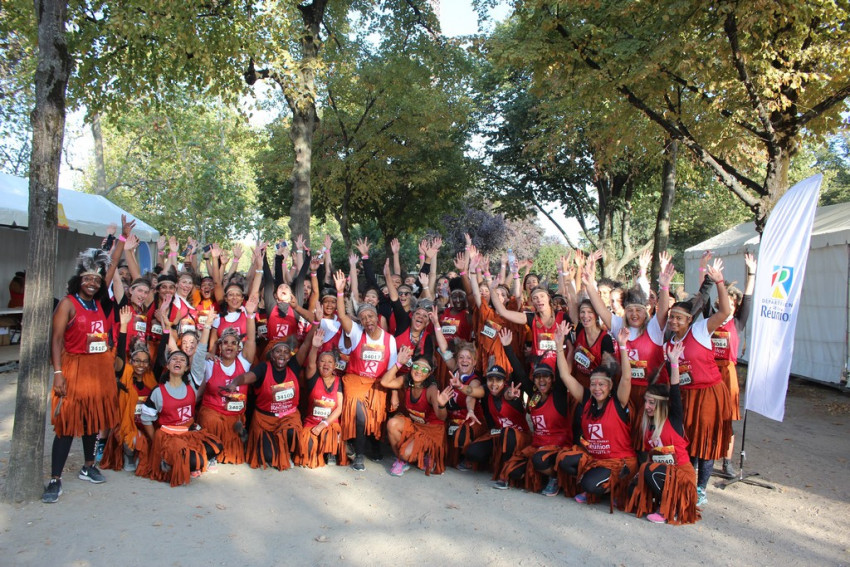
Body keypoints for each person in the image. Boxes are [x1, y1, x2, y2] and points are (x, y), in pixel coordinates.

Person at [42, 218, 133, 504]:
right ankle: (55, 479)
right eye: (88, 279)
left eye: (96, 280)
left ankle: (88, 466)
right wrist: (58, 372)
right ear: (78, 281)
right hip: (74, 366)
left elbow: (110, 266)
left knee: (94, 419)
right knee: (68, 424)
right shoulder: (68, 304)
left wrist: (122, 240)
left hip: (99, 368)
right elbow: (55, 341)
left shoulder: (97, 302)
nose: (93, 283)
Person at [665, 257, 733, 506]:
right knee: (689, 439)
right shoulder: (669, 343)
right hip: (686, 396)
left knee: (705, 442)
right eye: (671, 317)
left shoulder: (701, 330)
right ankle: (687, 479)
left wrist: (719, 283)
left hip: (708, 394)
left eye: (679, 318)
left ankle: (701, 488)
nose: (673, 321)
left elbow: (725, 312)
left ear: (689, 320)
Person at [556, 322, 637, 511]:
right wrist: (559, 347)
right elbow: (565, 377)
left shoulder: (618, 401)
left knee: (589, 485)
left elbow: (626, 378)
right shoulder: (586, 399)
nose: (597, 388)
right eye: (593, 384)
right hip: (596, 458)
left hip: (619, 461)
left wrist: (623, 346)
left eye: (602, 385)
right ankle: (601, 481)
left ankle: (618, 486)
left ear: (609, 387)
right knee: (563, 460)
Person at [627, 341, 700, 525]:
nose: (648, 406)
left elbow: (675, 391)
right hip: (664, 474)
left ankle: (672, 508)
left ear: (661, 404)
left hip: (681, 476)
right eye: (646, 401)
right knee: (634, 484)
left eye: (652, 402)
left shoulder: (673, 419)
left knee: (649, 471)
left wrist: (673, 363)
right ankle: (661, 502)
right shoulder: (648, 425)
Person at [333, 270, 398, 471]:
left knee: (377, 413)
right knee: (360, 416)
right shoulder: (356, 333)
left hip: (378, 383)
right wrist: (340, 292)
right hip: (356, 381)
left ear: (377, 317)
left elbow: (392, 369)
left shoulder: (390, 340)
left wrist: (394, 393)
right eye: (363, 318)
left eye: (370, 316)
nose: (367, 320)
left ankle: (373, 444)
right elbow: (342, 315)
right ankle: (360, 454)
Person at [223, 333, 309, 470]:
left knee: (291, 432)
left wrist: (316, 323)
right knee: (269, 457)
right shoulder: (263, 368)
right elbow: (246, 377)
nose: (282, 355)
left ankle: (285, 451)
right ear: (272, 355)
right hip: (264, 420)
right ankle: (262, 443)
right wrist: (234, 383)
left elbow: (306, 344)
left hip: (288, 417)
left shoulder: (293, 366)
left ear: (290, 356)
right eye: (278, 351)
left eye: (286, 352)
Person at [137, 349, 222, 486]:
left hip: (189, 433)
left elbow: (199, 355)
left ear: (187, 367)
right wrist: (157, 443)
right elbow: (146, 418)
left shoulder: (192, 386)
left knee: (217, 446)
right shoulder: (158, 391)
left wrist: (206, 328)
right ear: (168, 365)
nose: (178, 361)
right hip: (169, 436)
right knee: (195, 461)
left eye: (182, 360)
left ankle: (188, 460)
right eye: (174, 359)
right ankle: (169, 459)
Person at [706, 252, 756, 476]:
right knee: (706, 416)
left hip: (728, 374)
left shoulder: (737, 322)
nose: (730, 305)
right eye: (725, 301)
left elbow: (749, 299)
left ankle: (727, 462)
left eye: (733, 303)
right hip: (708, 371)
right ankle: (703, 455)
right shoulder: (710, 319)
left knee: (728, 420)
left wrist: (752, 273)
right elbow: (704, 298)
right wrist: (703, 269)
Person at [495, 356, 572, 497]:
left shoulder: (558, 396)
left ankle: (554, 477)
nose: (541, 380)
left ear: (552, 379)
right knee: (514, 471)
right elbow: (520, 373)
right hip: (537, 446)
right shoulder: (534, 396)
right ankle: (538, 475)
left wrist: (562, 343)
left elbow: (562, 372)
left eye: (546, 377)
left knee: (539, 460)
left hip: (558, 447)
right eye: (537, 377)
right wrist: (507, 347)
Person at [196, 296, 258, 466]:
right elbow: (199, 352)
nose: (229, 346)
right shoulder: (211, 363)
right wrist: (208, 326)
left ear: (239, 347)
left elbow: (251, 340)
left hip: (233, 416)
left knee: (234, 458)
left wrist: (251, 315)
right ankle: (209, 450)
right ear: (219, 346)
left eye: (233, 343)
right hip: (213, 413)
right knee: (211, 420)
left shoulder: (244, 362)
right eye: (225, 343)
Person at [463, 328, 532, 477]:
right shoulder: (487, 391)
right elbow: (473, 392)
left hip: (519, 438)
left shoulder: (509, 392)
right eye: (490, 379)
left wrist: (507, 348)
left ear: (505, 381)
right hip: (498, 435)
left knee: (515, 471)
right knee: (472, 453)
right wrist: (460, 386)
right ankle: (493, 460)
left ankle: (507, 472)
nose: (494, 384)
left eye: (498, 380)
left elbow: (509, 393)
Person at [100, 306, 157, 473]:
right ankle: (128, 454)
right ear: (130, 361)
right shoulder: (124, 374)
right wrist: (124, 327)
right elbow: (119, 354)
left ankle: (141, 452)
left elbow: (160, 356)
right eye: (137, 361)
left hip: (145, 425)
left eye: (144, 361)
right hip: (127, 426)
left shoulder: (151, 380)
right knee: (133, 439)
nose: (140, 365)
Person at [381, 347, 453, 476]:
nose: (419, 371)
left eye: (424, 369)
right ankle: (403, 460)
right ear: (411, 367)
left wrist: (442, 405)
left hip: (431, 431)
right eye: (416, 367)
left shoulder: (431, 389)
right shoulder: (407, 380)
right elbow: (385, 382)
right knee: (392, 423)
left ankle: (424, 454)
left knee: (407, 454)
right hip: (416, 426)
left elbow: (442, 418)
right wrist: (398, 363)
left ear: (429, 373)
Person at [296, 331, 347, 468]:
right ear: (318, 364)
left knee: (327, 436)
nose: (326, 364)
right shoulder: (313, 377)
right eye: (322, 361)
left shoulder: (339, 381)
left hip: (329, 423)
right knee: (307, 448)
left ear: (335, 365)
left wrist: (323, 424)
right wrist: (314, 347)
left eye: (330, 362)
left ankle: (332, 450)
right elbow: (311, 363)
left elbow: (340, 408)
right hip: (311, 421)